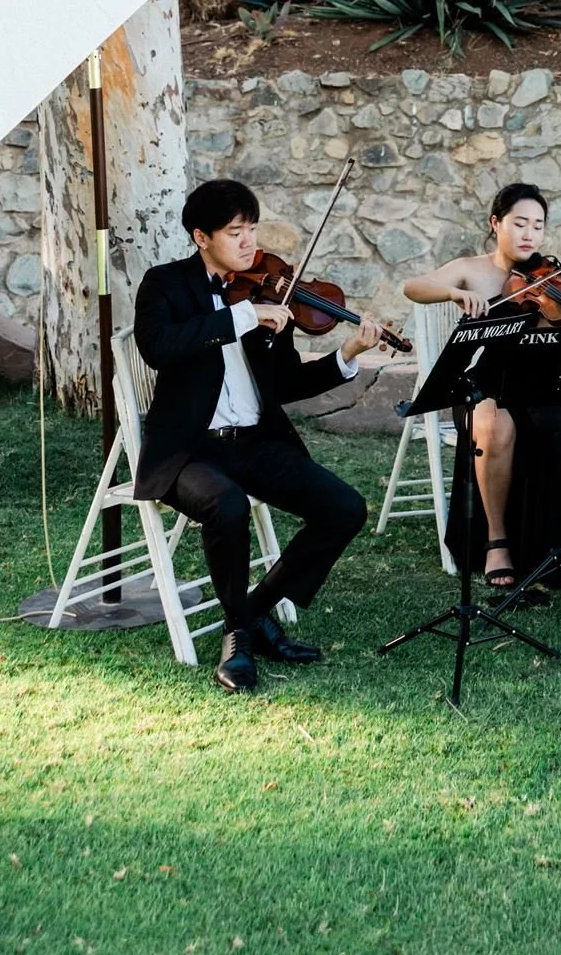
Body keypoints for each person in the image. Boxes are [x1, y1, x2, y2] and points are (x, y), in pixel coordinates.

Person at [133, 178, 383, 694]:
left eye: (251, 230)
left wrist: (349, 353)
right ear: (202, 237)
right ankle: (244, 639)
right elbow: (158, 346)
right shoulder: (165, 285)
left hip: (253, 441)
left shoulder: (270, 290)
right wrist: (240, 317)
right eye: (235, 232)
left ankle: (242, 620)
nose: (249, 243)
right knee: (226, 506)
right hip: (189, 449)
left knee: (344, 509)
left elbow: (287, 382)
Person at [402, 182, 561, 590]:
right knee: (494, 424)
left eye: (538, 226)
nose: (529, 235)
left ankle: (546, 545)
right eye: (519, 223)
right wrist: (454, 292)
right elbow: (413, 287)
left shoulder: (550, 280)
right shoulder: (472, 269)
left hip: (539, 389)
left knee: (547, 419)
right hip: (483, 387)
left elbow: (553, 347)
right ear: (496, 223)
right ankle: (497, 541)